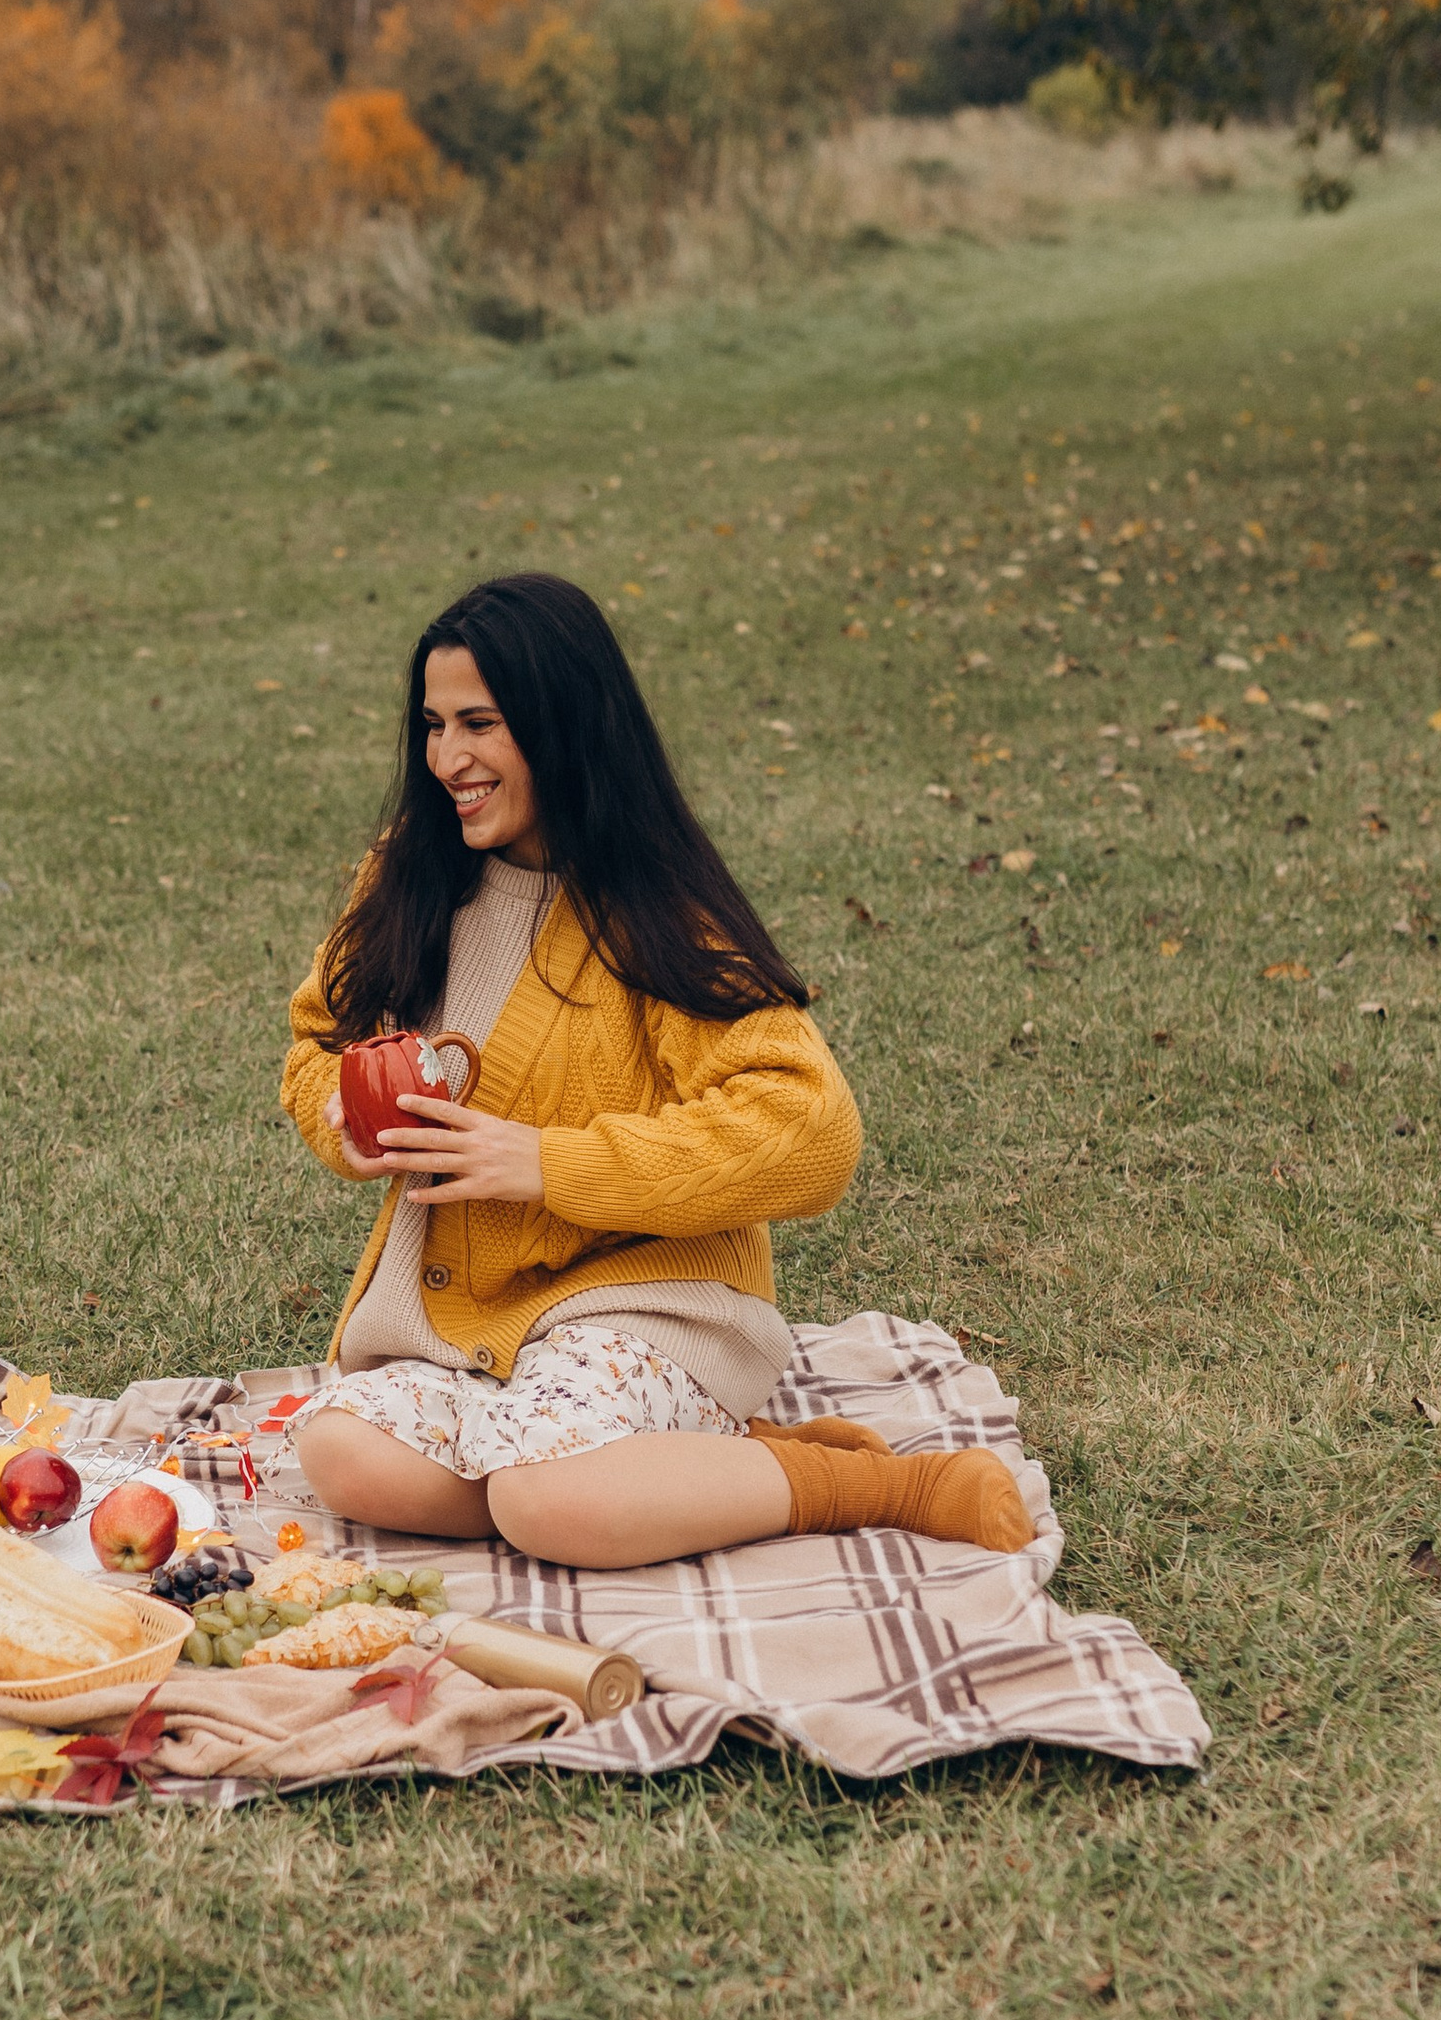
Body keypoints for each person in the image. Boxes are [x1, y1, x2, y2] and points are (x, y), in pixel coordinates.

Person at [279, 573, 1033, 1567]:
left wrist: (547, 1165)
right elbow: (316, 1044)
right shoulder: (408, 875)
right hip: (467, 1324)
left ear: (560, 726)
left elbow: (809, 1130)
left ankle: (876, 1481)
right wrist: (342, 1116)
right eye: (431, 725)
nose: (447, 759)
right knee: (343, 1456)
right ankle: (675, 1472)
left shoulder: (654, 913)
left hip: (642, 1300)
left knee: (551, 1505)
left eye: (479, 724)